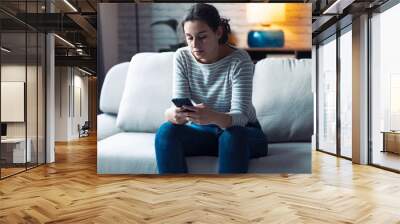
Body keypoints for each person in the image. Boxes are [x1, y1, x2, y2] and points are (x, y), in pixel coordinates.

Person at [155, 3, 268, 174]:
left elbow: (241, 117)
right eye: (189, 37)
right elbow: (178, 105)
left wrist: (213, 117)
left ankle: (226, 199)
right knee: (166, 132)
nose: (195, 45)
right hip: (203, 132)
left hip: (243, 132)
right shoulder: (182, 57)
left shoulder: (239, 60)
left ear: (218, 32)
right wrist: (173, 115)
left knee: (231, 136)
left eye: (202, 37)